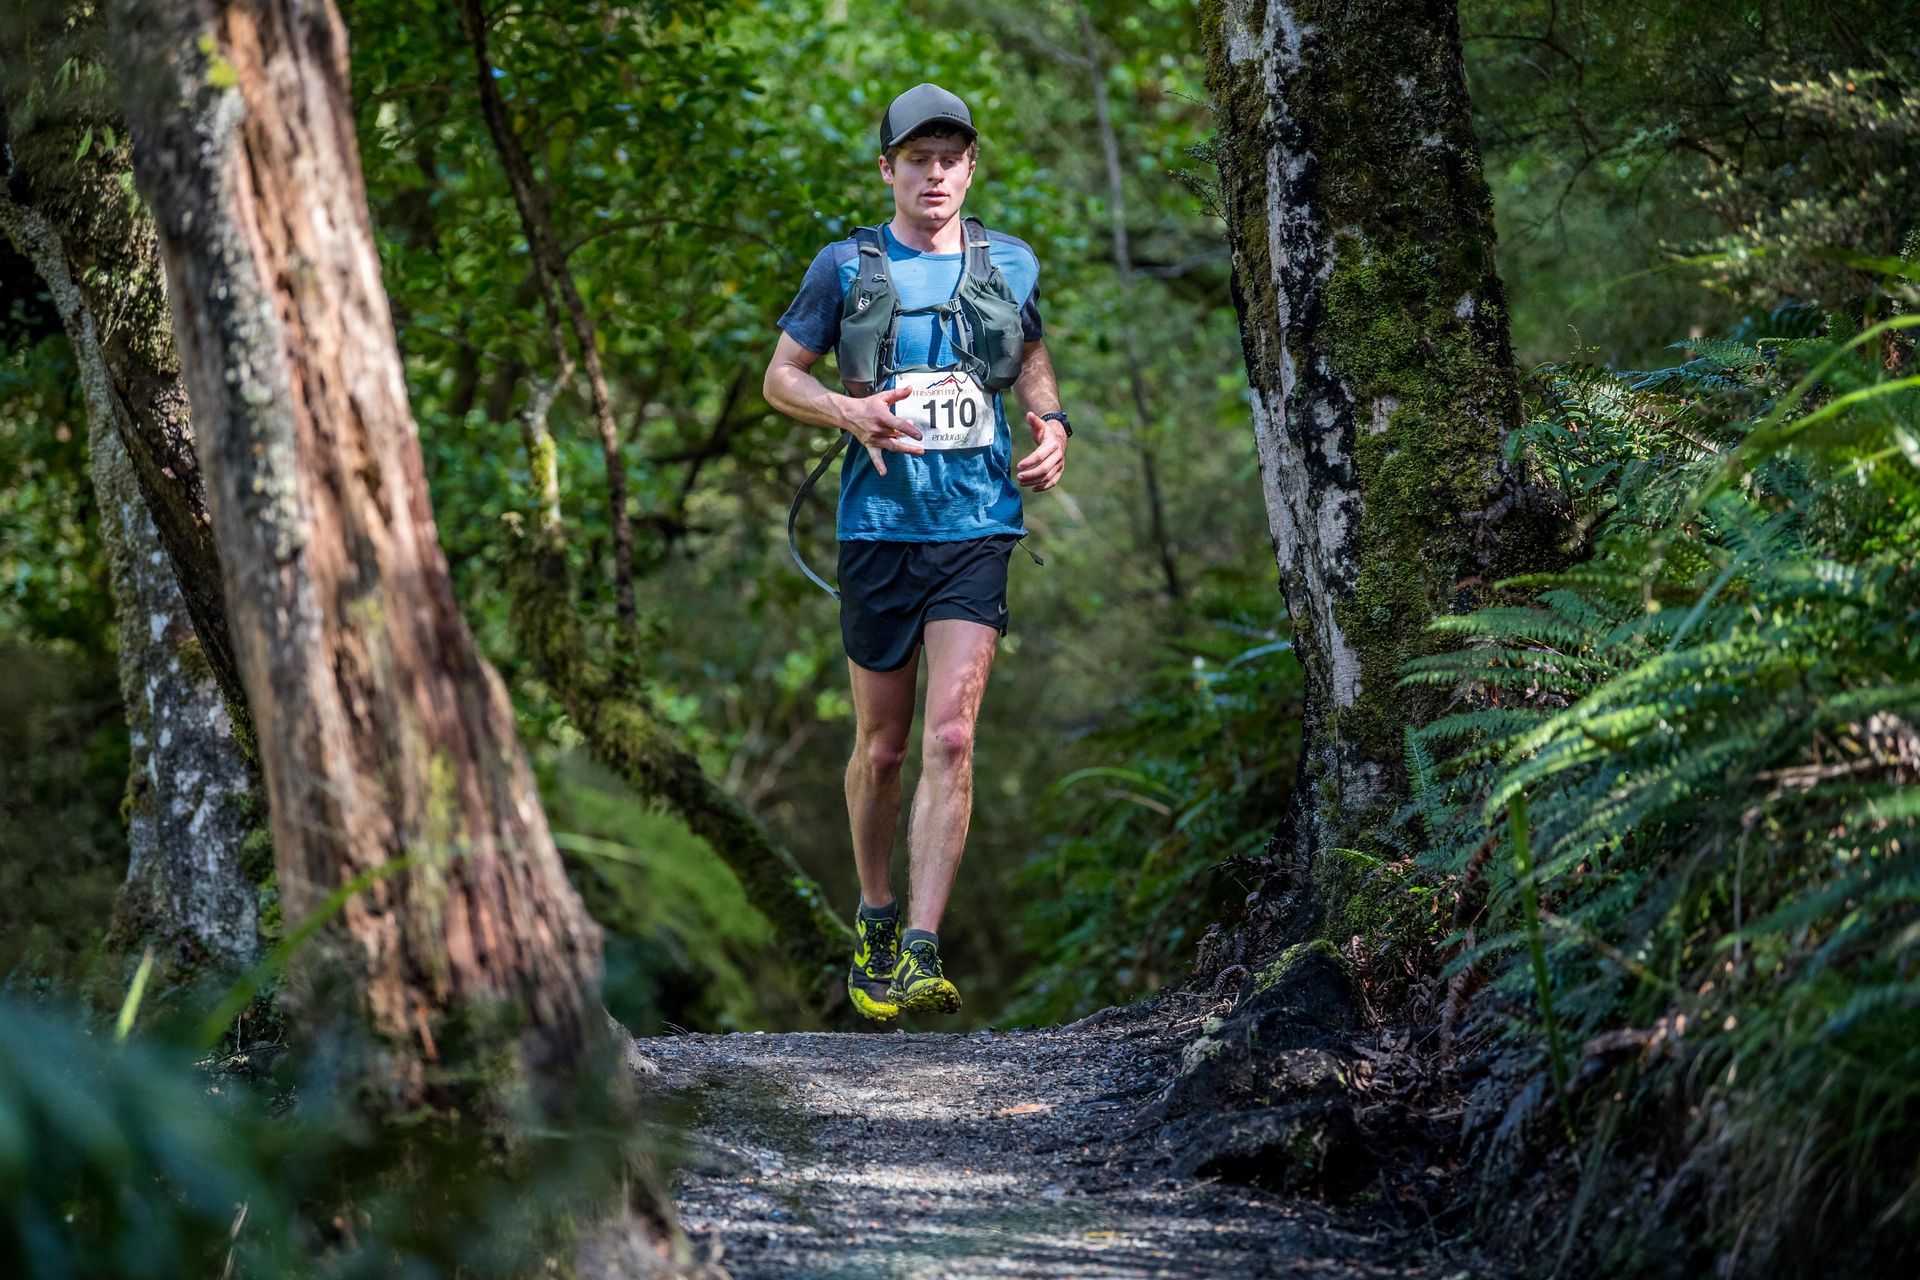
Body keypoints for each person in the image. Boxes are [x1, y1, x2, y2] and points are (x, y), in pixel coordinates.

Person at [762, 83, 1071, 1021]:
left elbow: (1030, 357)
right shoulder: (845, 266)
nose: (934, 174)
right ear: (888, 168)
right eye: (917, 159)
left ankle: (926, 949)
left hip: (976, 526)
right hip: (877, 531)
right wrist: (846, 408)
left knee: (951, 735)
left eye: (951, 158)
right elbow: (780, 378)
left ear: (971, 167)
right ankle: (878, 916)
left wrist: (1050, 421)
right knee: (885, 749)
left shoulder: (1009, 262)